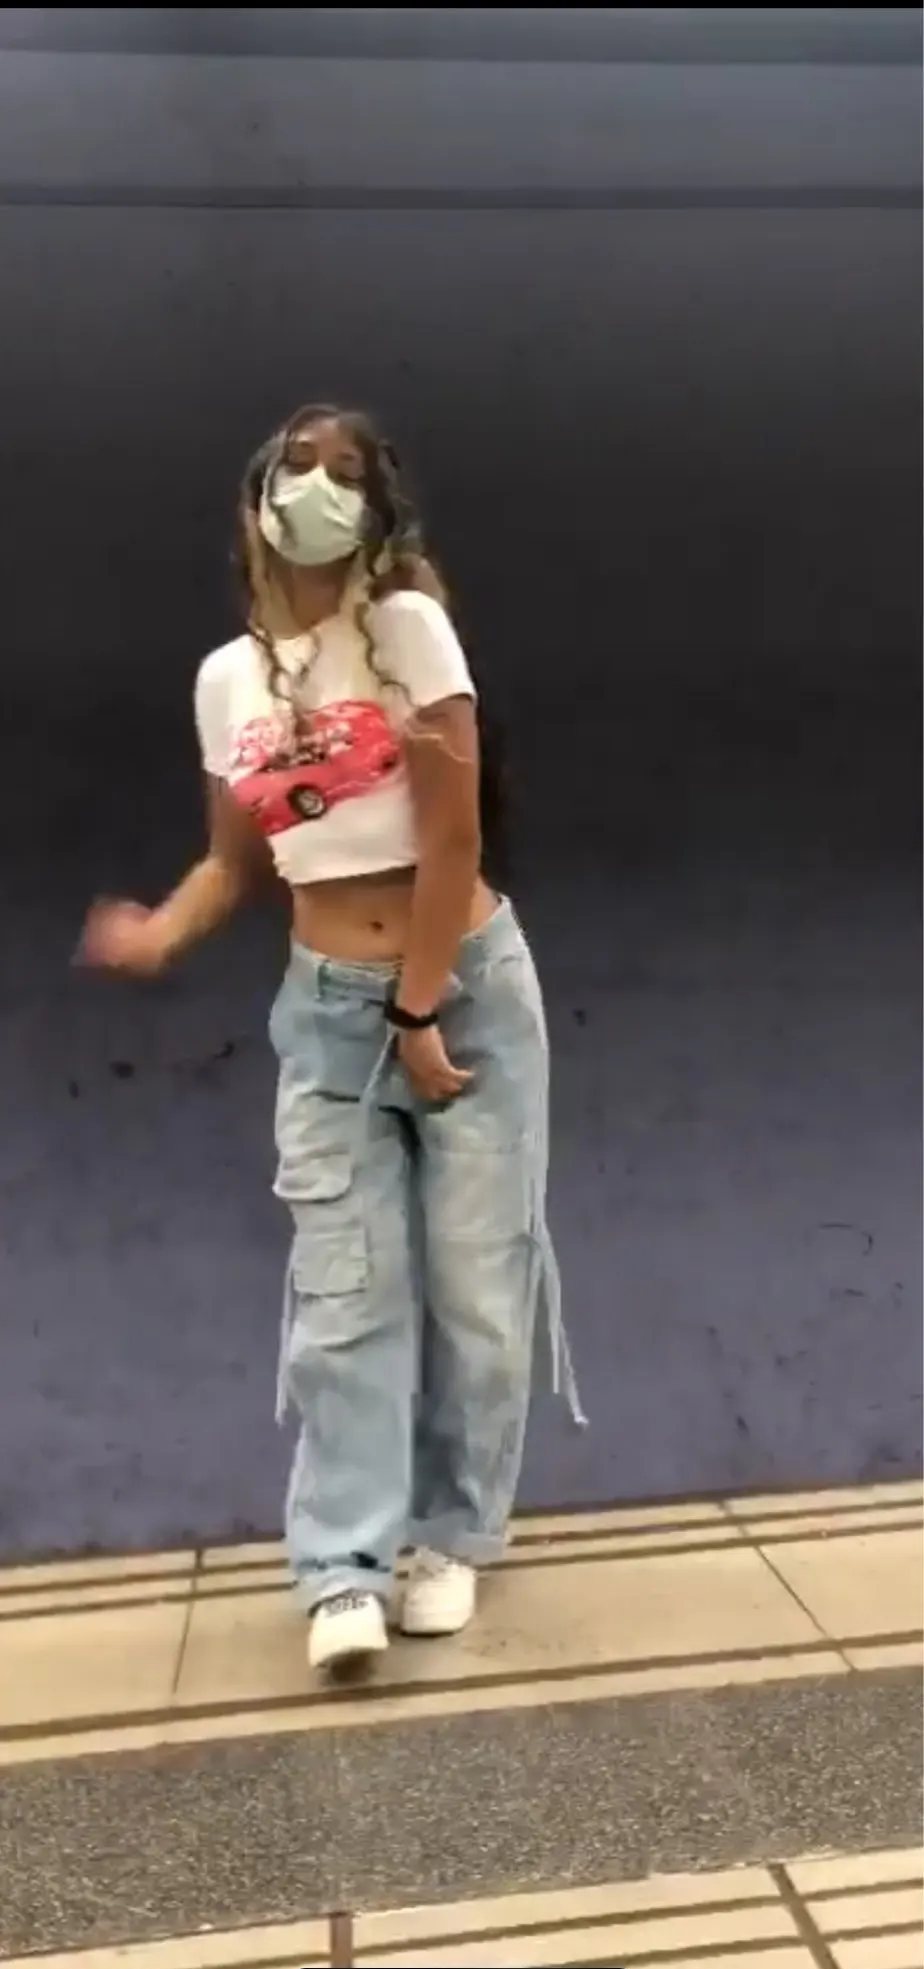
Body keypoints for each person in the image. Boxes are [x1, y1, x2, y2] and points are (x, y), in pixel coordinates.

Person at [80, 404, 584, 1677]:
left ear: (376, 510)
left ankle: (451, 1536)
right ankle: (343, 1566)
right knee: (346, 1290)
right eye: (296, 466)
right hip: (325, 1009)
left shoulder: (409, 632)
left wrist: (418, 1008)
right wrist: (160, 933)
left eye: (343, 471)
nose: (315, 486)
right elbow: (235, 856)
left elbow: (453, 835)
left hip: (461, 990)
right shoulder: (227, 679)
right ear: (256, 501)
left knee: (477, 1288)